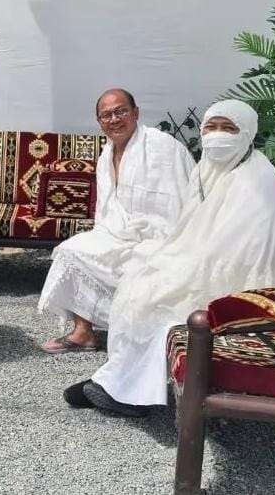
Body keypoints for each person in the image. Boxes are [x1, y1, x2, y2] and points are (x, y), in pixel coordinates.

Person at [64, 99, 275, 416]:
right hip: (210, 261)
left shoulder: (257, 181)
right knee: (141, 278)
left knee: (156, 301)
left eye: (228, 128)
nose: (217, 136)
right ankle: (118, 382)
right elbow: (191, 225)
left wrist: (179, 269)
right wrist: (169, 256)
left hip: (243, 283)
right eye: (211, 128)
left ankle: (128, 394)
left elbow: (241, 254)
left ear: (247, 133)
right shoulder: (211, 168)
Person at [37, 89, 195, 353]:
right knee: (71, 251)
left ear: (136, 113)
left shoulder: (162, 146)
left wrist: (163, 236)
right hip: (119, 233)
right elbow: (107, 208)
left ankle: (142, 335)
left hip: (163, 234)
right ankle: (83, 332)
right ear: (100, 122)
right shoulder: (105, 154)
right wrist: (112, 233)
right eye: (106, 115)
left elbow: (180, 201)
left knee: (147, 263)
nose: (114, 119)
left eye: (121, 111)